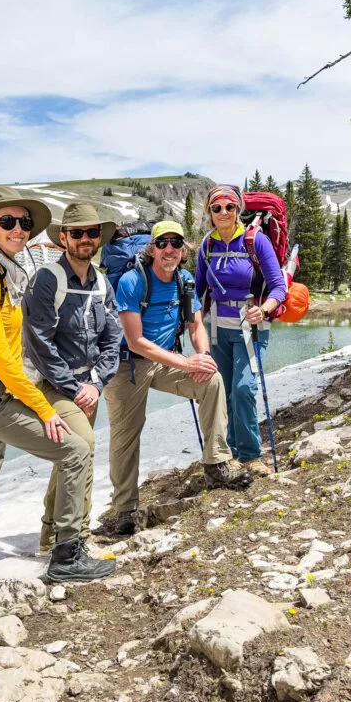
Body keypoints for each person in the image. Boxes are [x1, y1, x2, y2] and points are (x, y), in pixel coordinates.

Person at [0, 188, 115, 603]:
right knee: (74, 451)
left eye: (24, 223)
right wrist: (42, 406)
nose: (18, 230)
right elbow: (3, 359)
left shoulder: (1, 273)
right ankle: (67, 555)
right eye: (8, 222)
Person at [104, 220, 253, 536]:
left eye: (175, 243)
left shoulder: (184, 281)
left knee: (212, 382)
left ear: (183, 249)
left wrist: (204, 358)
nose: (169, 249)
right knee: (125, 435)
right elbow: (135, 341)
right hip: (128, 365)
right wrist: (188, 364)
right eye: (162, 243)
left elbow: (196, 326)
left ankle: (216, 465)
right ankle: (126, 510)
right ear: (152, 248)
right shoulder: (132, 281)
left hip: (168, 361)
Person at [22, 202, 122, 554]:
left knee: (70, 459)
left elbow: (113, 338)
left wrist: (95, 384)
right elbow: (39, 344)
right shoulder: (48, 279)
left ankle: (50, 538)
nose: (85, 239)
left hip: (88, 388)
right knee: (84, 448)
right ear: (63, 237)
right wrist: (74, 386)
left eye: (92, 233)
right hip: (52, 385)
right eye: (77, 233)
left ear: (99, 238)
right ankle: (77, 536)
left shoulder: (102, 283)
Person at [195, 184, 287, 473]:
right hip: (217, 330)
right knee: (223, 391)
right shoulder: (206, 246)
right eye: (217, 208)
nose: (223, 212)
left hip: (251, 327)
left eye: (229, 207)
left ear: (238, 210)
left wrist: (266, 309)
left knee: (243, 388)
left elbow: (278, 287)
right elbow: (197, 290)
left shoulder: (255, 241)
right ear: (209, 212)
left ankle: (250, 455)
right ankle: (229, 452)